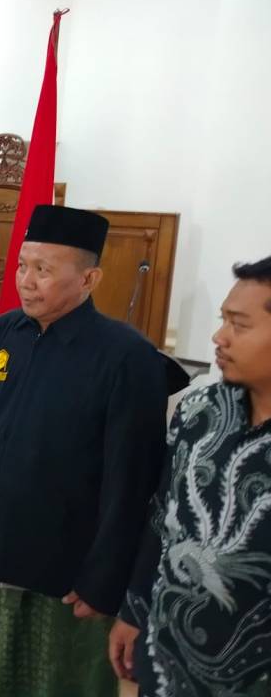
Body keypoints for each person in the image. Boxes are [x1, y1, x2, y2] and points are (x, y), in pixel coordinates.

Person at [0, 205, 173, 697]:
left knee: (60, 682)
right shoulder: (3, 334)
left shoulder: (126, 358)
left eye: (44, 270)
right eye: (23, 266)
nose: (27, 281)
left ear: (89, 278)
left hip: (69, 571)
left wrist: (106, 578)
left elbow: (131, 482)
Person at [110, 256, 271, 697]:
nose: (218, 337)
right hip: (166, 652)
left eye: (239, 324)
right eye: (223, 320)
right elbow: (162, 516)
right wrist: (134, 609)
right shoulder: (201, 410)